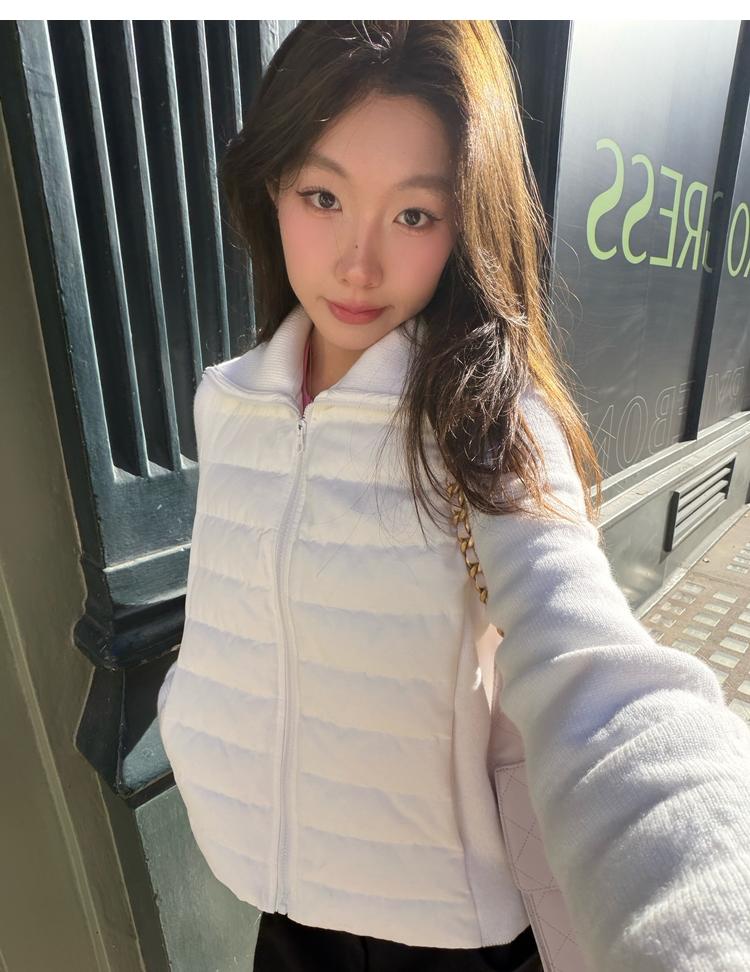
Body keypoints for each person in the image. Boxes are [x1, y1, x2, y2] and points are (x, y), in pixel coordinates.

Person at [156, 20, 750, 972]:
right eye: (323, 196)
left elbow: (595, 674)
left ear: (467, 222)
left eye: (415, 215)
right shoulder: (231, 401)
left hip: (443, 939)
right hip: (282, 912)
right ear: (270, 187)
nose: (358, 263)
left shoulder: (487, 422)